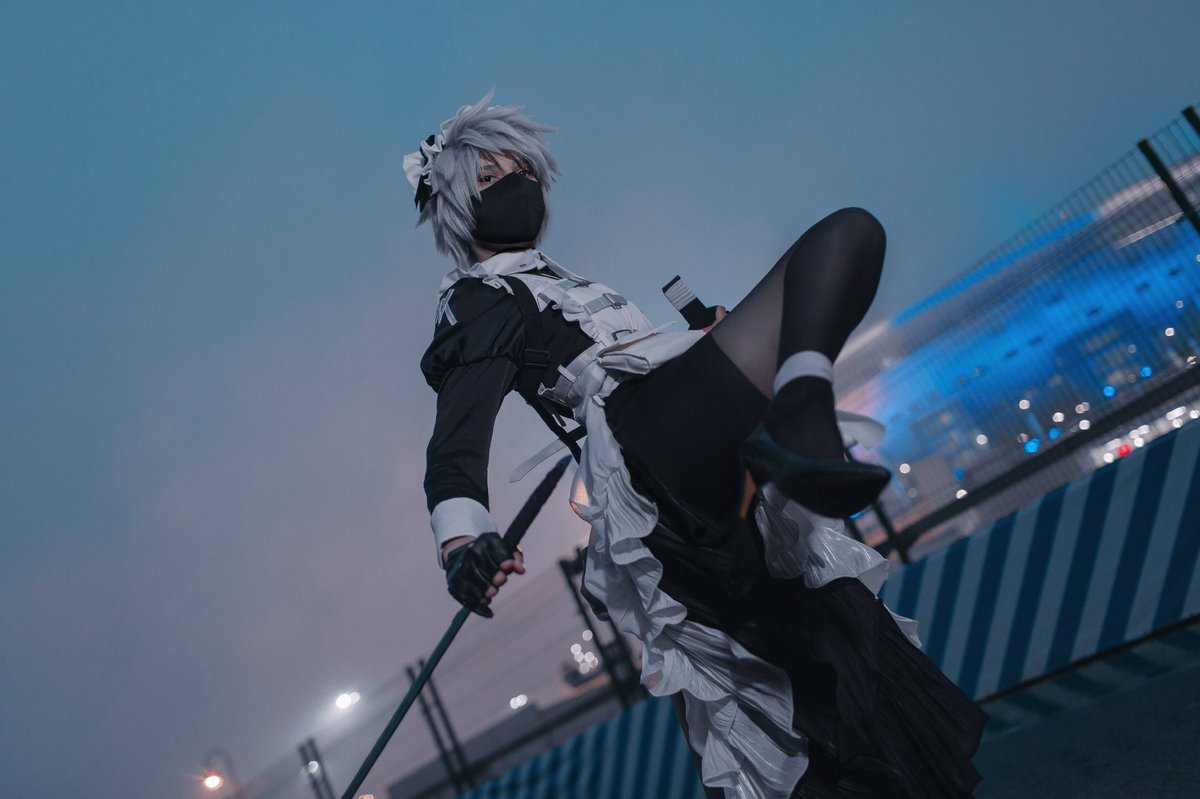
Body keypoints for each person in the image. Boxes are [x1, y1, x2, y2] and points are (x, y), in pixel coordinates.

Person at [409, 93, 987, 798]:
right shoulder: (477, 301)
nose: (519, 183)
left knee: (805, 662)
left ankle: (794, 412)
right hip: (646, 456)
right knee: (845, 233)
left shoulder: (564, 280)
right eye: (491, 177)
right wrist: (461, 543)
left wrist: (702, 347)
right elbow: (455, 443)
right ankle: (800, 415)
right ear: (459, 208)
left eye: (523, 169)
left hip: (696, 458)